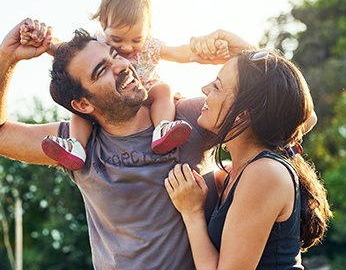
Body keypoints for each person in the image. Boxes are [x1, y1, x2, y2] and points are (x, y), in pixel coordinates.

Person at [0, 18, 258, 270]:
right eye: (102, 70)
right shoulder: (76, 145)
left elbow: (289, 116)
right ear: (83, 105)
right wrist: (6, 56)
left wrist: (248, 53)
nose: (122, 65)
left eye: (116, 55)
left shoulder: (190, 118)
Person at [165, 33, 332, 270]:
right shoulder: (238, 172)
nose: (204, 89)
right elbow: (299, 113)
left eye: (217, 86)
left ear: (244, 113)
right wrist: (252, 57)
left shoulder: (264, 173)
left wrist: (192, 213)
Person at [20, 0, 229, 170]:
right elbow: (64, 49)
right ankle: (76, 146)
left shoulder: (149, 46)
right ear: (103, 24)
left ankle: (163, 127)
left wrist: (202, 51)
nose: (127, 47)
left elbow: (176, 52)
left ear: (147, 30)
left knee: (164, 90)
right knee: (83, 108)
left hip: (145, 90)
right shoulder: (97, 44)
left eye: (136, 39)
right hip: (114, 98)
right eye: (117, 39)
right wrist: (43, 41)